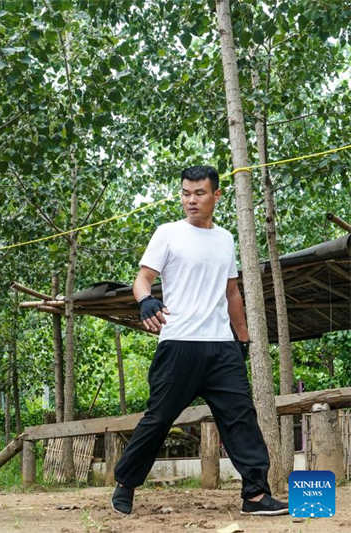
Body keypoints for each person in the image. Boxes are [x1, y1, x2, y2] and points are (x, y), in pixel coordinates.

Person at [111, 165, 288, 516]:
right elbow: (142, 279)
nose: (191, 200)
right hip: (179, 343)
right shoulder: (168, 233)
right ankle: (126, 484)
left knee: (241, 417)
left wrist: (243, 339)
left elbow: (232, 292)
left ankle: (255, 495)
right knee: (159, 418)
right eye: (185, 193)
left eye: (199, 193)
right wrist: (145, 300)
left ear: (216, 196)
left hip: (222, 346)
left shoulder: (225, 239)